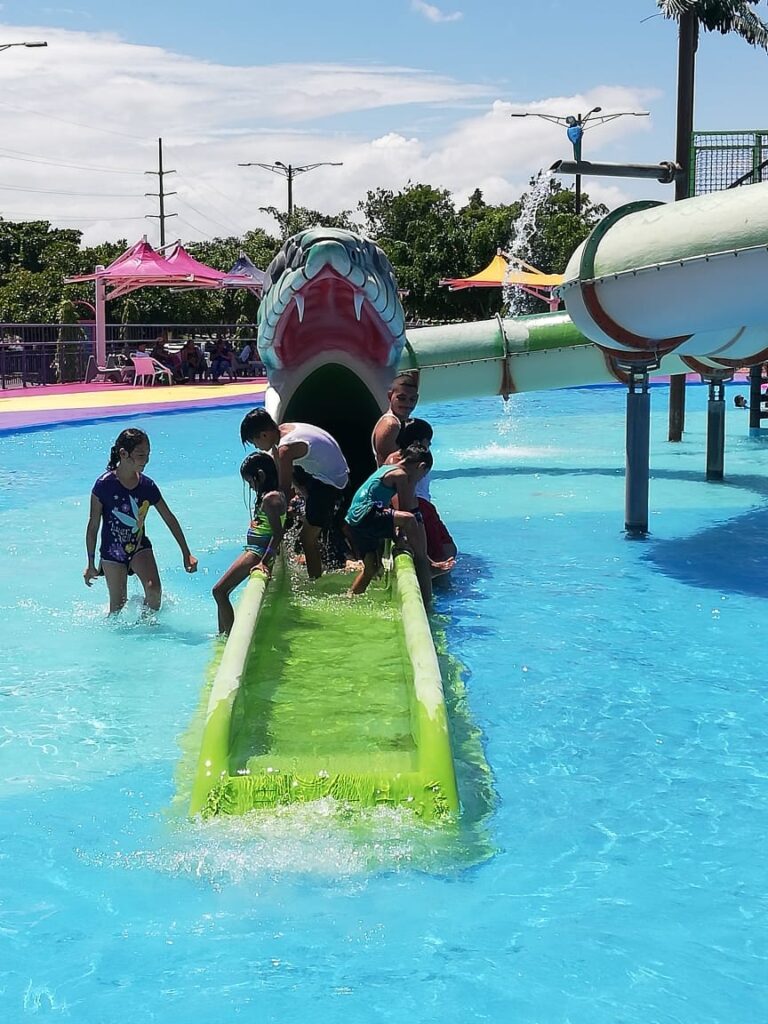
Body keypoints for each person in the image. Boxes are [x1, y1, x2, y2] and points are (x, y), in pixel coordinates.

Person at [84, 428, 198, 614]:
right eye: (140, 455)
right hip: (112, 552)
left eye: (147, 455)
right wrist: (90, 563)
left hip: (138, 547)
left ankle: (147, 629)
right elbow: (93, 526)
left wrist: (186, 553)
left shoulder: (147, 486)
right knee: (117, 608)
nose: (146, 460)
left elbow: (169, 518)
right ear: (123, 454)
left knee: (154, 590)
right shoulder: (103, 486)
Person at [240, 408, 349, 579]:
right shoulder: (284, 430)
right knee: (303, 515)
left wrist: (273, 517)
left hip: (331, 484)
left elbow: (283, 492)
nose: (256, 447)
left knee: (306, 538)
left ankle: (315, 583)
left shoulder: (286, 449)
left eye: (254, 442)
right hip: (333, 472)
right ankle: (320, 560)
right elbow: (284, 472)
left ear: (263, 435)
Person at [345, 443, 434, 606]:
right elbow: (406, 509)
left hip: (354, 520)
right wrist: (402, 538)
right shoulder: (400, 475)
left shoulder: (388, 467)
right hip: (366, 515)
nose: (419, 479)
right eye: (422, 475)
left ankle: (350, 598)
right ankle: (420, 556)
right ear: (420, 466)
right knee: (408, 518)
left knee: (371, 567)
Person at [212, 452, 286, 634]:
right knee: (220, 592)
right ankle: (222, 635)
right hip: (254, 550)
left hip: (257, 552)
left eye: (251, 482)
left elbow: (278, 533)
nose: (251, 487)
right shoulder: (274, 495)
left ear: (260, 476)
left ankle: (227, 637)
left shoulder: (271, 499)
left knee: (219, 591)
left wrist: (263, 561)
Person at [387, 417, 457, 568]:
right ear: (419, 442)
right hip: (419, 507)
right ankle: (440, 580)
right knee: (440, 553)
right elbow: (398, 494)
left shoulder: (403, 458)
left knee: (449, 548)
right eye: (428, 441)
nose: (430, 444)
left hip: (423, 506)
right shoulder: (404, 461)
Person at [371, 371, 420, 466]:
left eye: (412, 399)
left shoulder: (398, 422)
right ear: (390, 396)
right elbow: (390, 467)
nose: (407, 403)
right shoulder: (391, 425)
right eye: (401, 398)